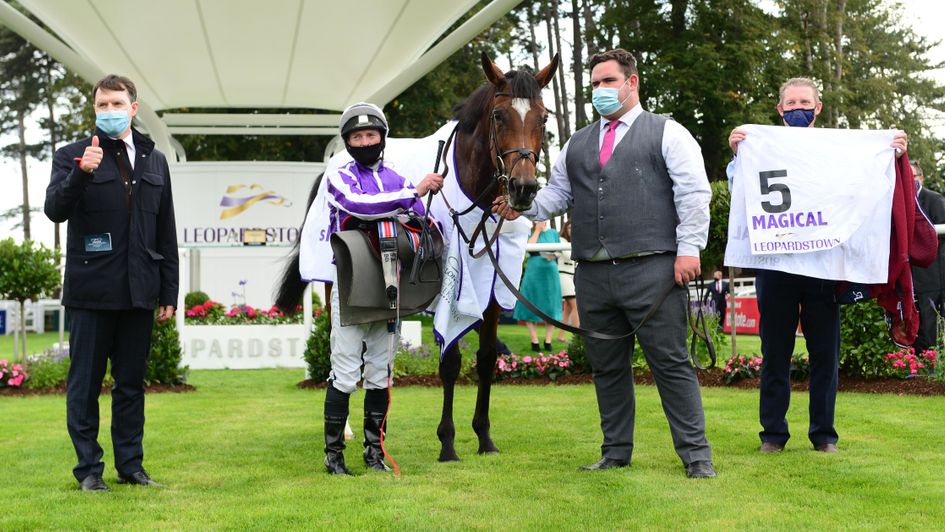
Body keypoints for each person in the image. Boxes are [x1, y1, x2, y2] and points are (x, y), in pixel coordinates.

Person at [494, 48, 715, 478]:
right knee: (607, 368)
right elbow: (558, 196)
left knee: (670, 364)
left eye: (608, 81)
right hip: (593, 273)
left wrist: (690, 249)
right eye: (595, 83)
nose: (600, 90)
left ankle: (696, 457)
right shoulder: (577, 143)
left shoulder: (668, 133)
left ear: (632, 83)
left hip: (652, 268)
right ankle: (615, 453)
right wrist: (522, 207)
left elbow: (693, 193)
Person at [728, 77, 909, 454]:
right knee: (775, 353)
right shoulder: (759, 150)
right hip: (776, 265)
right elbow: (739, 192)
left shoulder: (838, 152)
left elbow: (864, 189)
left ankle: (824, 435)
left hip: (823, 266)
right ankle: (773, 435)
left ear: (818, 107)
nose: (798, 108)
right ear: (780, 109)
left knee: (825, 354)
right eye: (791, 103)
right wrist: (737, 156)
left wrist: (887, 157)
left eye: (804, 102)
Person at [44, 75, 178, 491]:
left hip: (139, 290)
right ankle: (89, 471)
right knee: (84, 387)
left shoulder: (155, 160)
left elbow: (166, 230)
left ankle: (131, 467)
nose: (109, 111)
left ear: (133, 108)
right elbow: (54, 210)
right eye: (102, 105)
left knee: (131, 386)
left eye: (117, 103)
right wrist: (80, 173)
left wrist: (169, 291)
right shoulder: (72, 155)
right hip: (91, 292)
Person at [322, 102, 443, 475]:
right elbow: (359, 205)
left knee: (381, 371)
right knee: (345, 371)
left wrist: (420, 208)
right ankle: (334, 456)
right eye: (357, 137)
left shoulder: (396, 177)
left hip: (392, 283)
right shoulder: (339, 175)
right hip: (353, 282)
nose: (364, 142)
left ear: (382, 137)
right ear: (347, 142)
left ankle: (374, 453)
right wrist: (413, 194)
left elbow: (419, 221)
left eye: (370, 135)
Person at [910, 161, 945, 352]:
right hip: (909, 276)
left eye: (912, 176)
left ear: (921, 178)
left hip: (932, 276)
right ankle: (917, 362)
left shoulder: (934, 199)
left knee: (930, 323)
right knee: (914, 324)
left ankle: (931, 361)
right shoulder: (898, 202)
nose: (909, 180)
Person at [513, 220, 562, 352]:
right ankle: (534, 340)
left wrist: (554, 255)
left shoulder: (553, 233)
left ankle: (548, 340)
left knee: (551, 305)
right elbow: (528, 247)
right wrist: (538, 230)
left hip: (550, 271)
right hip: (534, 270)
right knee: (530, 301)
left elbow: (560, 250)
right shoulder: (529, 232)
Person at [556, 220, 579, 343]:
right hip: (563, 275)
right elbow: (570, 255)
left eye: (573, 228)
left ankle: (560, 336)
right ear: (565, 229)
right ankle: (578, 336)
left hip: (572, 275)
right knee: (576, 306)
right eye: (569, 228)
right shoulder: (562, 240)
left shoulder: (574, 242)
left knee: (568, 309)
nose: (571, 230)